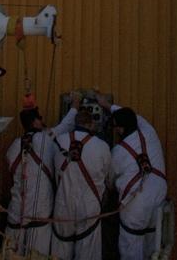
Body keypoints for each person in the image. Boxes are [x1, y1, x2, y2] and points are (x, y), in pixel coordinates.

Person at [51, 99, 111, 260]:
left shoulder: (59, 141)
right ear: (92, 124)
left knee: (60, 250)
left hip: (63, 205)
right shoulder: (102, 146)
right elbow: (107, 176)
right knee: (88, 253)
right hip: (90, 206)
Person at [107, 102, 167, 259]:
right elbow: (137, 117)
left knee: (131, 245)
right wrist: (110, 105)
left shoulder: (118, 152)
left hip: (136, 203)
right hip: (159, 196)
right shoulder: (149, 132)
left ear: (120, 129)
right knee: (153, 245)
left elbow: (110, 180)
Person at [5, 108, 57, 257]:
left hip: (15, 216)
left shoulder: (13, 146)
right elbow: (59, 131)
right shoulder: (47, 142)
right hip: (39, 217)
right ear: (35, 121)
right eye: (40, 118)